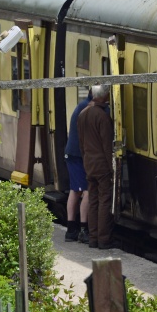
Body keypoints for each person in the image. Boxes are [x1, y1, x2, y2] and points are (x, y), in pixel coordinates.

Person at [77, 84, 116, 250]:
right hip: (101, 164)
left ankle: (93, 238)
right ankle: (103, 239)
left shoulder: (82, 113)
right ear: (104, 96)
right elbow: (107, 145)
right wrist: (111, 168)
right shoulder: (102, 116)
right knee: (104, 200)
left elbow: (81, 142)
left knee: (93, 199)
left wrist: (85, 159)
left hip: (88, 162)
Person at [64, 90, 92, 243]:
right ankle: (82, 229)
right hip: (77, 156)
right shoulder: (87, 108)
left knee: (75, 191)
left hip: (73, 154)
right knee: (86, 191)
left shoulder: (82, 105)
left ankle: (71, 229)